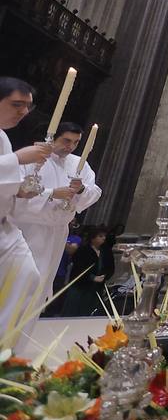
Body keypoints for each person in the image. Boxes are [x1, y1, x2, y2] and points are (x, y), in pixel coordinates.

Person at [13, 121, 102, 339]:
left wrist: (80, 190)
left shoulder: (78, 163)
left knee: (41, 287)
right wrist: (53, 193)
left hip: (56, 230)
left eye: (76, 142)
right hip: (28, 227)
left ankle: (22, 340)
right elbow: (17, 189)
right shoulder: (35, 157)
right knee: (22, 281)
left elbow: (94, 191)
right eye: (66, 141)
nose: (70, 147)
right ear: (53, 137)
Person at [0, 77, 51, 347]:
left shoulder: (2, 138)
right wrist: (18, 159)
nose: (23, 112)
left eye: (27, 107)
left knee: (27, 276)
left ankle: (6, 354)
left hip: (4, 229)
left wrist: (19, 190)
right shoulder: (10, 147)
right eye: (16, 104)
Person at [63, 226, 113, 317]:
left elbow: (110, 267)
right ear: (93, 238)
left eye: (104, 236)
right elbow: (78, 268)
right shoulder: (83, 250)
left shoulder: (105, 252)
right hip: (81, 286)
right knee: (74, 310)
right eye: (100, 236)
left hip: (96, 288)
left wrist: (105, 276)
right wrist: (92, 277)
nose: (103, 238)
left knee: (89, 311)